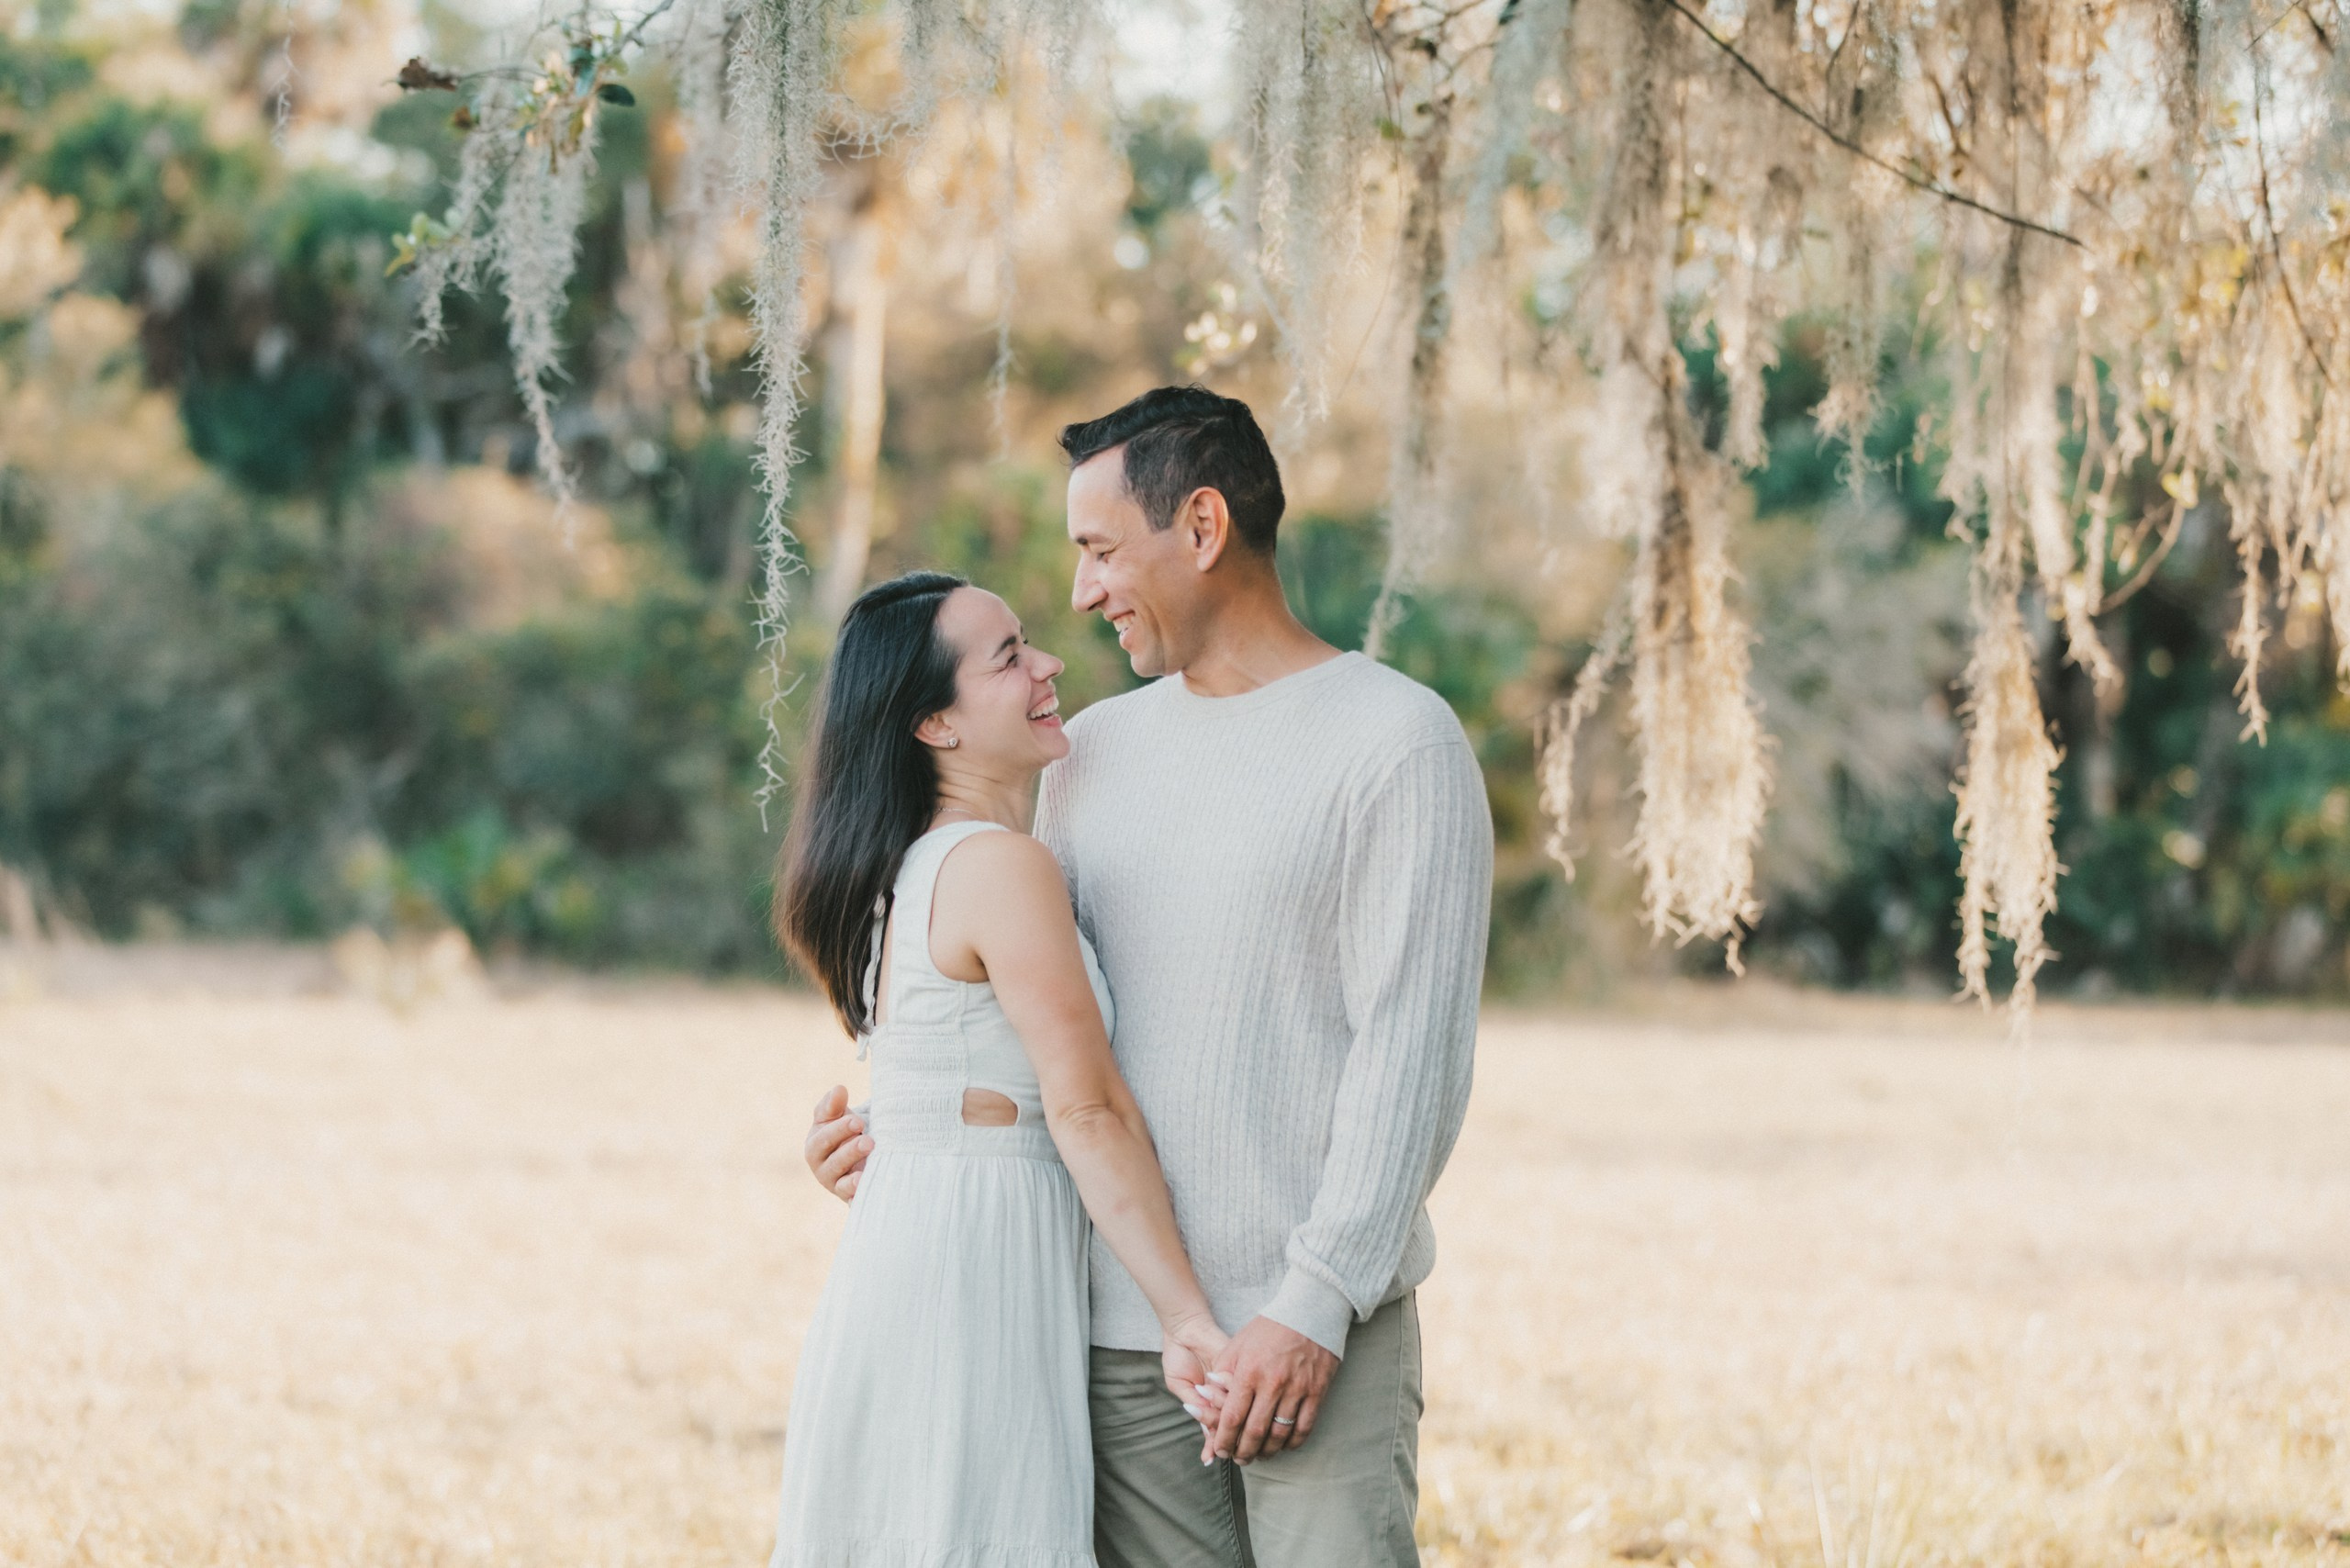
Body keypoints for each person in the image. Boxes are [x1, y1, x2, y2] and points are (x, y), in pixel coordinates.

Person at [802, 387, 1494, 1567]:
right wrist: (910, 1132)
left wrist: (1310, 1308)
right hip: (1114, 1345)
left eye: (1100, 549)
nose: (1081, 593)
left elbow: (1410, 1061)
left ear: (1205, 527)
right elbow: (1031, 1027)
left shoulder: (1395, 744)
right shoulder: (1089, 757)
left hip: (1313, 1336)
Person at [769, 569, 1227, 1568]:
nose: (1049, 662)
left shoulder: (912, 862)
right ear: (934, 723)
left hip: (925, 1236)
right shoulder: (998, 864)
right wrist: (1188, 1316)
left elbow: (948, 1070)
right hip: (971, 1270)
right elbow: (1087, 1106)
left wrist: (893, 1139)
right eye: (1009, 656)